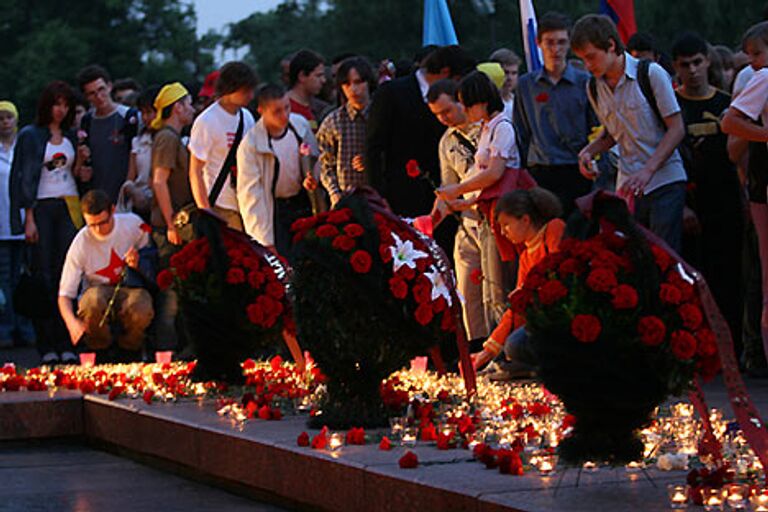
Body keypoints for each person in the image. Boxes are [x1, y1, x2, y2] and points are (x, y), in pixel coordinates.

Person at [572, 14, 687, 253]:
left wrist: (648, 170)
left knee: (664, 257)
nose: (588, 66)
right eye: (582, 60)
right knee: (635, 257)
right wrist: (588, 151)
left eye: (591, 56)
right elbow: (613, 134)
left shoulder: (650, 73)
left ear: (611, 45)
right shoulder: (593, 86)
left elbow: (676, 129)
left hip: (665, 180)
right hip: (628, 187)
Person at [672, 32, 744, 360]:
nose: (693, 70)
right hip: (688, 201)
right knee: (690, 279)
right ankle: (696, 350)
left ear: (708, 61)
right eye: (686, 65)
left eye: (698, 62)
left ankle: (733, 348)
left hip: (725, 201)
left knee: (728, 276)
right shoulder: (672, 107)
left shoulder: (726, 103)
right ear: (676, 67)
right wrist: (683, 204)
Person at [9, 82, 86, 364]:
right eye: (56, 104)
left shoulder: (71, 136)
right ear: (46, 105)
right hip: (41, 206)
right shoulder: (31, 135)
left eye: (65, 105)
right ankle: (46, 343)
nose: (61, 110)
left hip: (69, 204)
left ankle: (68, 341)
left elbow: (76, 174)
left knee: (68, 274)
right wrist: (27, 218)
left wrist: (82, 164)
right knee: (43, 275)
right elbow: (22, 177)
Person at [366, 45, 475, 220]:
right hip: (403, 197)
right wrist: (377, 196)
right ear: (445, 73)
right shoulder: (391, 93)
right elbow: (373, 148)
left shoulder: (458, 101)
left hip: (450, 195)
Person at [427, 79, 498, 342]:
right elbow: (448, 186)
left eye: (447, 111)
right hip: (466, 221)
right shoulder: (446, 141)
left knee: (496, 290)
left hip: (492, 215)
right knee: (468, 291)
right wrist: (431, 219)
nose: (443, 118)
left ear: (460, 101)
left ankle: (500, 349)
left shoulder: (489, 128)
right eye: (437, 115)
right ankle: (476, 347)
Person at [471, 188, 565, 376]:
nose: (504, 233)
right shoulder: (524, 258)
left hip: (563, 314)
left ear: (525, 219)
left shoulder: (554, 229)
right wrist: (487, 352)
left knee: (516, 344)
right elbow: (516, 309)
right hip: (543, 319)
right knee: (513, 345)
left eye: (506, 225)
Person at [513, 12, 595, 217]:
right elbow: (521, 132)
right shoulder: (526, 85)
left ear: (570, 44)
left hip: (577, 169)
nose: (556, 49)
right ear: (538, 43)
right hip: (540, 170)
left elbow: (596, 129)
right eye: (549, 42)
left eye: (561, 42)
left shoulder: (585, 83)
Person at [58, 190, 153, 359]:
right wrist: (72, 324)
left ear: (113, 210)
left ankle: (130, 350)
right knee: (92, 302)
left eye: (103, 223)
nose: (98, 230)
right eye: (92, 225)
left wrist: (139, 262)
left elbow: (151, 255)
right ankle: (99, 349)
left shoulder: (133, 224)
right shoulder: (81, 242)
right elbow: (65, 294)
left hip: (130, 286)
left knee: (140, 306)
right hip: (97, 289)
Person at [722, 20, 768, 368]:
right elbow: (730, 122)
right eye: (750, 55)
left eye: (757, 54)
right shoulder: (764, 78)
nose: (753, 62)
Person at [236, 84, 319, 259]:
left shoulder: (299, 126)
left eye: (287, 108)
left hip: (303, 204)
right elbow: (251, 196)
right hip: (276, 212)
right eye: (277, 111)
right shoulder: (250, 146)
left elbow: (315, 159)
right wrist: (264, 240)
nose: (284, 115)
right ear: (261, 111)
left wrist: (313, 178)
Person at [149, 82, 196, 357]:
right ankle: (165, 354)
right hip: (171, 229)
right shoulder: (167, 138)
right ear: (177, 108)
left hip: (178, 225)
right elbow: (159, 181)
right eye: (188, 104)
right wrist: (170, 224)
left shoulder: (173, 137)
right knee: (171, 296)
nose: (191, 109)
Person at [188, 61, 257, 231]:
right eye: (245, 90)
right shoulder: (207, 121)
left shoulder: (247, 116)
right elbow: (195, 171)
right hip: (221, 205)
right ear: (229, 89)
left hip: (247, 202)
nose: (251, 95)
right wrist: (206, 210)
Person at [77, 65, 140, 203]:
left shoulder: (129, 117)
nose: (99, 97)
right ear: (86, 97)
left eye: (101, 90)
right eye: (92, 93)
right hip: (98, 197)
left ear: (109, 86)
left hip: (125, 197)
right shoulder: (87, 121)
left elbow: (136, 154)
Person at [317, 57, 375, 207]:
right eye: (347, 84)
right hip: (345, 198)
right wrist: (334, 192)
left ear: (368, 82)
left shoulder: (381, 115)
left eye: (358, 82)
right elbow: (324, 162)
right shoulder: (333, 121)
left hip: (380, 196)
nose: (353, 89)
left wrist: (371, 159)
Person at [0, 101, 34, 348]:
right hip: (1, 223)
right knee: (5, 279)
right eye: (0, 118)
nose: (4, 123)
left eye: (8, 117)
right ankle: (7, 328)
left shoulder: (23, 148)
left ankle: (25, 326)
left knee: (23, 278)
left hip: (22, 222)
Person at [118, 85, 160, 217]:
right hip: (139, 203)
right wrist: (133, 191)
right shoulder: (137, 141)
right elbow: (131, 177)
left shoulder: (175, 139)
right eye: (143, 113)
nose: (146, 117)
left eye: (149, 112)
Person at [287, 49, 332, 132]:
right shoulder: (284, 107)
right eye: (318, 76)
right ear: (302, 76)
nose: (323, 80)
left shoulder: (321, 108)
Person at [489, 48, 521, 120]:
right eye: (506, 72)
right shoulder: (486, 105)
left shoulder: (519, 102)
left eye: (514, 73)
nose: (509, 78)